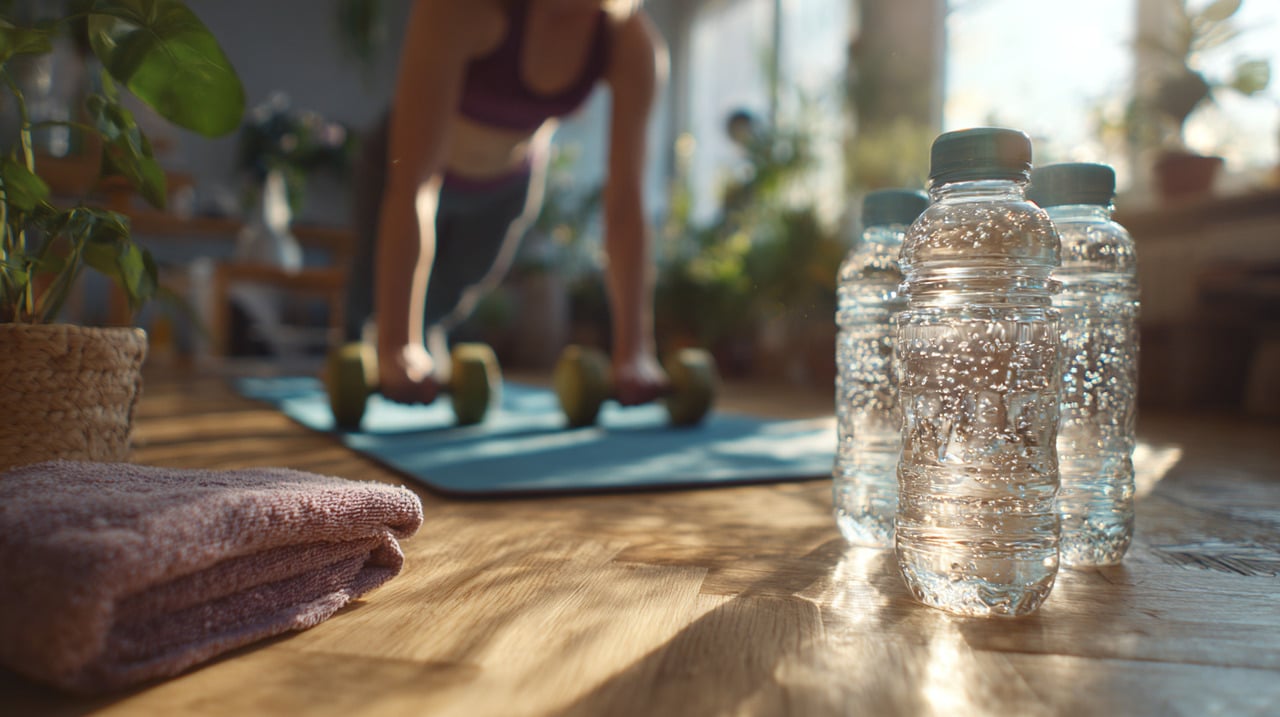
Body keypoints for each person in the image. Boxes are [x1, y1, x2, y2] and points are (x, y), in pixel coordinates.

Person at [346, 0, 669, 407]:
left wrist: (634, 353)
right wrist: (397, 345)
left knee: (456, 286)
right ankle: (376, 346)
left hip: (506, 185)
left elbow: (625, 204)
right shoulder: (460, 11)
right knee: (368, 302)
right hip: (407, 167)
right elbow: (415, 185)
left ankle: (424, 340)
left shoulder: (632, 44)